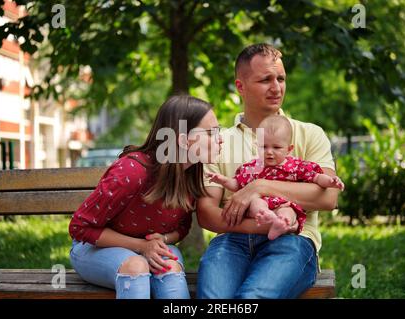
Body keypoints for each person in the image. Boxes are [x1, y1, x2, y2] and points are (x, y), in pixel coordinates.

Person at [196, 43, 341, 299]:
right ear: (240, 86)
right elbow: (207, 214)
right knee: (213, 300)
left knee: (252, 298)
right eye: (265, 80)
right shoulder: (218, 142)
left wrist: (258, 187)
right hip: (231, 242)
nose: (276, 87)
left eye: (281, 78)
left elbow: (327, 198)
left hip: (293, 242)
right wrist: (264, 225)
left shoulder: (309, 134)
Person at [69, 95, 222, 299]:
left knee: (169, 267)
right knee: (136, 266)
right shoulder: (131, 172)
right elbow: (80, 228)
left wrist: (164, 239)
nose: (220, 138)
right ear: (184, 140)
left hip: (152, 248)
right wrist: (142, 247)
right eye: (211, 133)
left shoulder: (192, 173)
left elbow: (182, 228)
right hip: (96, 249)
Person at [206, 114, 344, 241]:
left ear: (289, 149)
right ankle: (268, 218)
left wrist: (331, 181)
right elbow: (237, 184)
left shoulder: (296, 166)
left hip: (285, 203)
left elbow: (316, 178)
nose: (269, 152)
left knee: (289, 212)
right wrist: (221, 180)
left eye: (276, 147)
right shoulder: (254, 166)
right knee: (256, 203)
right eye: (264, 147)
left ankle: (281, 224)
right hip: (263, 205)